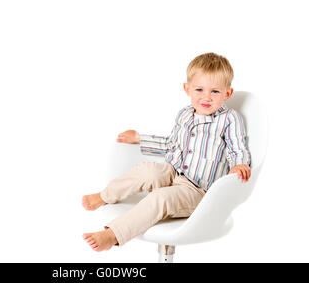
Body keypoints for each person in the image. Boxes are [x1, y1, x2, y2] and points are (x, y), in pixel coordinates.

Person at [82, 52, 251, 252]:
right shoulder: (185, 114)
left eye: (215, 91)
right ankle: (106, 195)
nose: (206, 97)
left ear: (227, 94)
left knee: (160, 198)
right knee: (148, 171)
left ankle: (112, 234)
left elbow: (237, 147)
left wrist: (239, 164)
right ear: (187, 89)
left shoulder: (230, 119)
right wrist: (140, 138)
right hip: (174, 172)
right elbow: (172, 144)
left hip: (198, 191)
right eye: (199, 89)